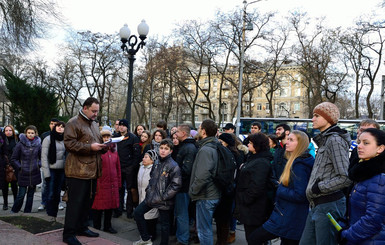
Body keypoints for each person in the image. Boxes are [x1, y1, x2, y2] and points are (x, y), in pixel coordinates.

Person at [248, 130, 315, 245]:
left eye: (291, 140)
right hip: (288, 215)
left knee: (255, 238)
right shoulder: (296, 161)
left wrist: (280, 188)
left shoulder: (299, 165)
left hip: (289, 216)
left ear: (300, 144)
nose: (287, 142)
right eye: (287, 139)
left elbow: (300, 194)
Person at [300, 102, 351, 245]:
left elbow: (345, 177)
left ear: (329, 118)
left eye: (316, 116)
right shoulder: (326, 140)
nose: (312, 119)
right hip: (317, 205)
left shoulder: (335, 140)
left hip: (329, 204)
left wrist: (318, 187)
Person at [62, 97, 107, 245]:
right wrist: (90, 148)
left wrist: (105, 146)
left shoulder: (94, 124)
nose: (96, 114)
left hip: (92, 170)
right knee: (75, 203)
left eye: (97, 111)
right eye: (93, 111)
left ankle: (82, 227)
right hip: (78, 171)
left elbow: (97, 142)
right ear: (85, 108)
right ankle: (68, 234)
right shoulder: (73, 123)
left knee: (87, 202)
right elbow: (69, 144)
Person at [338, 128, 385, 244]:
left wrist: (347, 235)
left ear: (380, 148)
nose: (359, 146)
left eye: (366, 143)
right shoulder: (363, 174)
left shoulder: (379, 178)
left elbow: (373, 220)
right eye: (359, 142)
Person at [133, 139, 181, 245]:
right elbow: (152, 178)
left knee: (165, 225)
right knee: (137, 213)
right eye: (161, 148)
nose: (163, 151)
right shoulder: (157, 162)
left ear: (171, 151)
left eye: (166, 149)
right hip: (151, 197)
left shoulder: (174, 166)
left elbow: (176, 185)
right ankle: (145, 239)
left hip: (164, 200)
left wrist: (164, 196)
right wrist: (149, 190)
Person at [234, 133, 273, 244]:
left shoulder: (261, 162)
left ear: (258, 145)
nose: (248, 145)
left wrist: (245, 199)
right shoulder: (253, 158)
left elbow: (257, 186)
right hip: (249, 207)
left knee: (253, 238)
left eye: (251, 143)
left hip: (254, 208)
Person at [189, 119, 221, 245]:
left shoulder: (206, 149)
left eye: (199, 128)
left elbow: (203, 175)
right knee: (205, 229)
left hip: (206, 195)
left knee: (204, 230)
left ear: (204, 131)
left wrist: (193, 191)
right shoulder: (214, 145)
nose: (198, 130)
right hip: (212, 193)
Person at [92, 127, 121, 234]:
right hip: (100, 182)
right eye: (104, 137)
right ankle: (97, 227)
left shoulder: (114, 151)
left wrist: (118, 182)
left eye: (108, 136)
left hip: (112, 183)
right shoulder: (97, 151)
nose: (106, 138)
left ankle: (108, 226)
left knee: (110, 206)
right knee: (98, 207)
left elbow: (118, 167)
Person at [215, 133, 241, 245]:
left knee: (224, 217)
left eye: (221, 142)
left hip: (228, 189)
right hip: (227, 188)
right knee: (221, 218)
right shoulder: (229, 153)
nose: (219, 144)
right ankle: (221, 239)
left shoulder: (232, 155)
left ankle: (222, 240)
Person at [174, 124, 198, 245]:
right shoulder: (188, 146)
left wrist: (173, 174)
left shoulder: (188, 148)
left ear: (183, 133)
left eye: (177, 132)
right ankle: (182, 236)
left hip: (184, 186)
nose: (175, 134)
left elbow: (186, 170)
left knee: (182, 214)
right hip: (184, 185)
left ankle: (182, 239)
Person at [11, 125, 42, 213]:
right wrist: (20, 167)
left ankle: (27, 212)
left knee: (30, 195)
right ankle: (14, 211)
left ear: (35, 134)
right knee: (21, 194)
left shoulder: (38, 145)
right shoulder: (20, 144)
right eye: (29, 133)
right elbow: (13, 159)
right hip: (23, 173)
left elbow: (42, 158)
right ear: (26, 133)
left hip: (34, 173)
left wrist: (38, 165)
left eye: (32, 133)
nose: (30, 135)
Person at [41, 121, 67, 221]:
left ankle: (55, 213)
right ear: (54, 127)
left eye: (62, 127)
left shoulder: (65, 139)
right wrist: (46, 173)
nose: (60, 128)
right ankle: (50, 214)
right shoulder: (48, 139)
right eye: (58, 126)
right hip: (51, 169)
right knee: (50, 193)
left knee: (57, 193)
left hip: (61, 170)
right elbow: (44, 157)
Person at [115, 119, 141, 218]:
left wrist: (132, 166)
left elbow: (136, 154)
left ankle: (129, 212)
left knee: (130, 190)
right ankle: (118, 209)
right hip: (118, 167)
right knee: (119, 189)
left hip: (129, 168)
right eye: (120, 125)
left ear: (127, 127)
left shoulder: (133, 138)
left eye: (123, 126)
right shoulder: (116, 137)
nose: (121, 127)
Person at [137, 150, 159, 241]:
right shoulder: (141, 167)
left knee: (151, 217)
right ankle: (144, 235)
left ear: (152, 160)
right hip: (141, 194)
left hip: (151, 197)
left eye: (146, 157)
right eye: (144, 157)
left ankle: (151, 235)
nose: (143, 159)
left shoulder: (154, 169)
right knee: (142, 215)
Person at [39, 118, 59, 211]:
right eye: (51, 124)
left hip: (58, 163)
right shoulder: (44, 135)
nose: (53, 125)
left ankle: (56, 203)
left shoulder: (62, 135)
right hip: (46, 163)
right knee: (45, 185)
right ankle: (44, 202)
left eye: (55, 124)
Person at [2, 125, 17, 210]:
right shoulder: (2, 141)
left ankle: (15, 202)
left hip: (14, 164)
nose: (8, 132)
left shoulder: (16, 140)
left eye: (10, 130)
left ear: (13, 131)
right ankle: (5, 203)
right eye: (6, 130)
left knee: (14, 184)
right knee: (5, 185)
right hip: (5, 165)